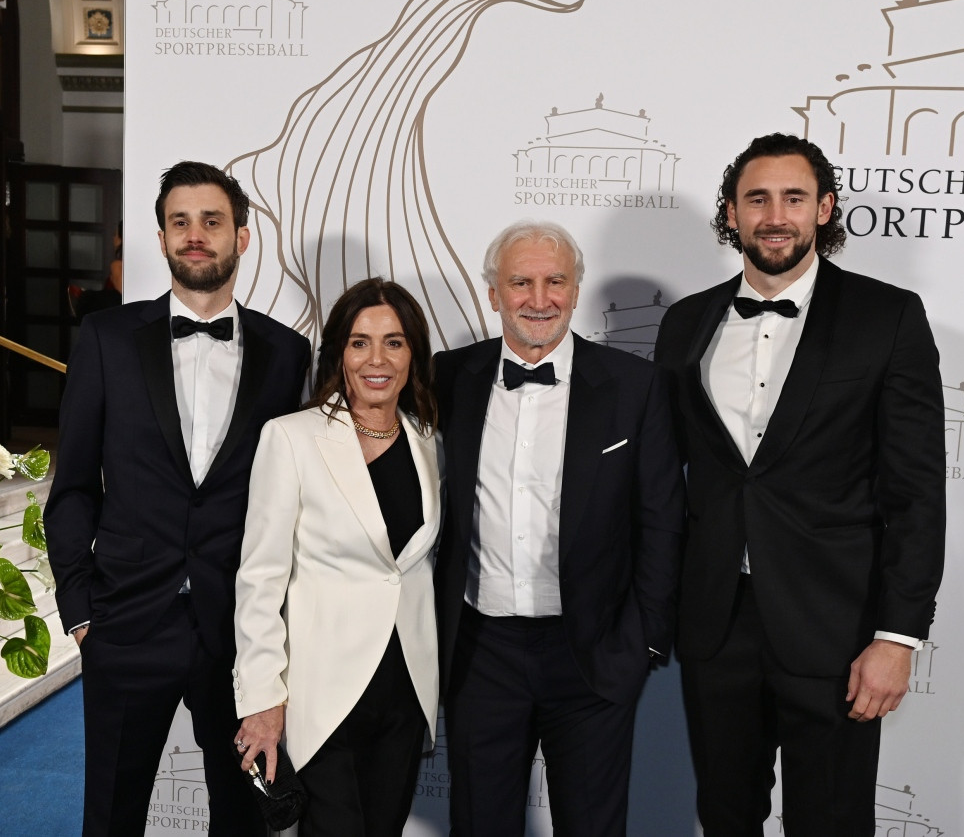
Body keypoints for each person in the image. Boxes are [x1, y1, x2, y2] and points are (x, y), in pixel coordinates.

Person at [654, 133, 946, 836]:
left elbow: (916, 490)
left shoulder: (887, 316)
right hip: (716, 621)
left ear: (825, 209)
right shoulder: (686, 322)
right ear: (731, 213)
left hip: (837, 625)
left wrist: (898, 635)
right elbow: (663, 479)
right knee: (725, 815)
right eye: (757, 199)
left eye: (793, 197)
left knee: (832, 821)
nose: (775, 215)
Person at [45, 160, 312, 836]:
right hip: (126, 620)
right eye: (180, 222)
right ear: (160, 238)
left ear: (243, 238)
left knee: (245, 821)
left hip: (239, 634)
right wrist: (80, 610)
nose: (196, 236)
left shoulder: (288, 355)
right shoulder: (107, 339)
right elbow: (72, 485)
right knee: (110, 816)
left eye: (213, 222)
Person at [434, 221, 684, 836]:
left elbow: (662, 520)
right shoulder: (447, 378)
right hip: (479, 653)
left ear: (576, 291)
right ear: (493, 293)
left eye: (555, 282)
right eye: (520, 282)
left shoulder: (634, 386)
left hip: (592, 651)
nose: (538, 299)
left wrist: (644, 641)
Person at [233, 277, 442, 837]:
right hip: (320, 695)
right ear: (339, 354)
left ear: (413, 353)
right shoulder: (292, 439)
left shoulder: (431, 441)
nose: (377, 359)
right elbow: (259, 579)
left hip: (405, 689)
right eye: (360, 342)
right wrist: (262, 699)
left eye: (394, 342)